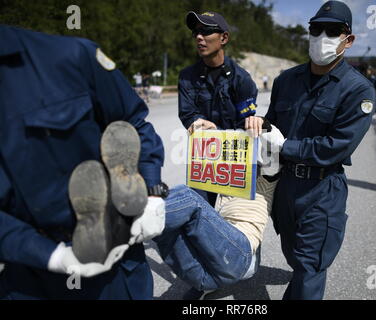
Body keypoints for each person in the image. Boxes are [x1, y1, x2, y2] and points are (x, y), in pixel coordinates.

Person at [0, 25, 166, 299]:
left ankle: (127, 196)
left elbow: (132, 121)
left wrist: (153, 191)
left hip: (115, 249)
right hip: (29, 269)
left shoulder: (68, 56)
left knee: (121, 133)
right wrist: (52, 256)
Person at [250, 1, 376, 299]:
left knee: (310, 266)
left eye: (333, 31)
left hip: (321, 190)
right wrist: (258, 125)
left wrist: (286, 146)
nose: (322, 37)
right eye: (316, 29)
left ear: (349, 39)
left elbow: (338, 146)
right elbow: (272, 127)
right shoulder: (286, 80)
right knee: (295, 257)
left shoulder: (358, 90)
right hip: (284, 186)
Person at [153, 125, 284, 299]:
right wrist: (208, 130)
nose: (238, 154)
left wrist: (263, 123)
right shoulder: (226, 179)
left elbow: (275, 143)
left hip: (240, 256)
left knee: (188, 197)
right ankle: (140, 220)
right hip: (209, 272)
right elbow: (213, 148)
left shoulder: (267, 177)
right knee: (166, 229)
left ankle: (131, 221)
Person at [178, 11, 259, 206]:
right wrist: (198, 123)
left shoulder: (242, 79)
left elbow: (245, 125)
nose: (199, 37)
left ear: (223, 38)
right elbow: (187, 113)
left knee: (231, 225)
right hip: (204, 161)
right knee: (198, 216)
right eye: (196, 32)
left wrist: (218, 133)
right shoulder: (187, 76)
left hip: (234, 161)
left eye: (205, 31)